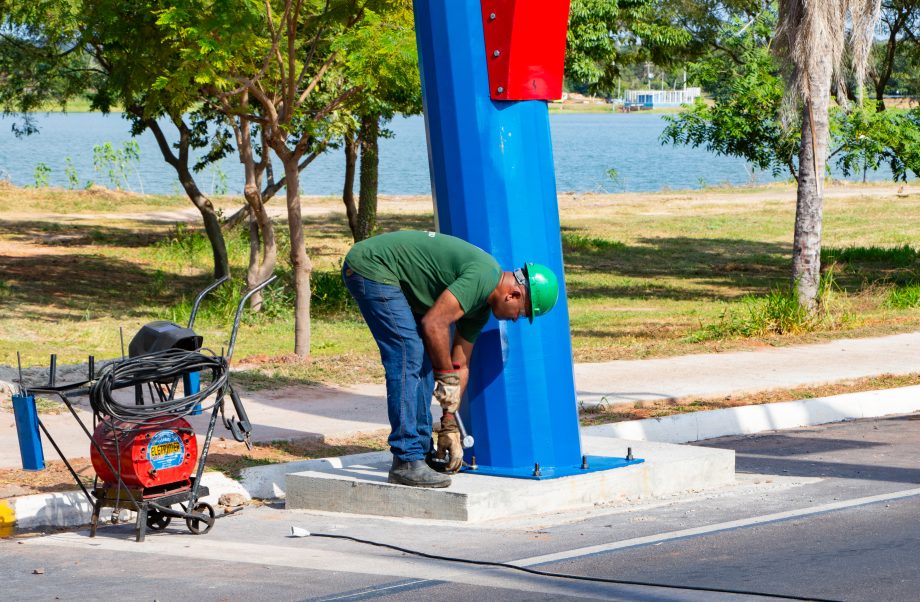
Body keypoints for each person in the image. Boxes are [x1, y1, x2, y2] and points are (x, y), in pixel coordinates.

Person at [342, 230, 559, 488]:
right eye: (521, 314)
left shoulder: (480, 309)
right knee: (407, 354)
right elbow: (434, 323)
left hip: (389, 275)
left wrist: (449, 424)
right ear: (514, 295)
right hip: (372, 266)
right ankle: (406, 460)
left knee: (419, 359)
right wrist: (445, 375)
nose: (515, 319)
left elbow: (461, 364)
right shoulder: (485, 276)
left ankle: (420, 453)